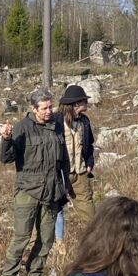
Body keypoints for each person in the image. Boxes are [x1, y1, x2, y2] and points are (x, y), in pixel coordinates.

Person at [0, 88, 69, 276]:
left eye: (51, 107)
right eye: (45, 108)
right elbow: (5, 157)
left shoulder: (56, 126)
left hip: (51, 191)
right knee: (21, 238)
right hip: (27, 192)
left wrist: (65, 186)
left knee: (46, 238)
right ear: (34, 108)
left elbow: (63, 158)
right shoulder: (22, 128)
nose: (49, 111)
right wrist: (6, 139)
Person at [54, 85, 96, 239]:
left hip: (80, 172)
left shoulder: (84, 121)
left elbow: (89, 144)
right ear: (77, 104)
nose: (87, 103)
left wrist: (90, 162)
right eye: (85, 100)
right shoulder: (55, 121)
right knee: (55, 210)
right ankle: (57, 244)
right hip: (60, 174)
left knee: (88, 210)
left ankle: (96, 241)